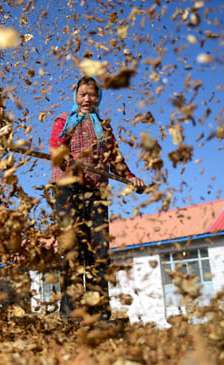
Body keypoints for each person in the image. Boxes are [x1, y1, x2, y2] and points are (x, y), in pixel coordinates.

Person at [49, 76, 145, 322]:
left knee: (98, 250)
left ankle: (99, 314)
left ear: (98, 98)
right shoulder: (63, 121)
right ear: (76, 96)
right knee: (72, 250)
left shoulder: (105, 128)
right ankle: (70, 315)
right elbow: (55, 147)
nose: (87, 99)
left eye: (92, 95)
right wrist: (67, 160)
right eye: (82, 94)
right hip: (68, 191)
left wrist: (131, 177)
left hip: (96, 194)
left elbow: (116, 160)